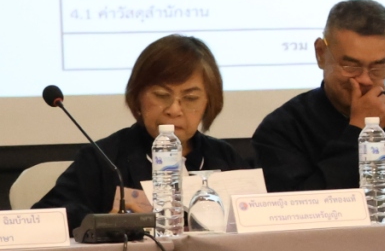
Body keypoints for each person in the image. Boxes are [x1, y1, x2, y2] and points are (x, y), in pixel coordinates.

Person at [253, 0, 385, 192]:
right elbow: (302, 207)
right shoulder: (282, 130)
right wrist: (361, 131)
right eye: (351, 66)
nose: (365, 80)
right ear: (320, 53)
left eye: (378, 66)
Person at [36, 34, 245, 230]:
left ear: (209, 103)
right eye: (161, 95)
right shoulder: (103, 159)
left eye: (190, 98)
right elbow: (46, 217)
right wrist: (103, 223)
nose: (174, 110)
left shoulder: (224, 158)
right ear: (138, 97)